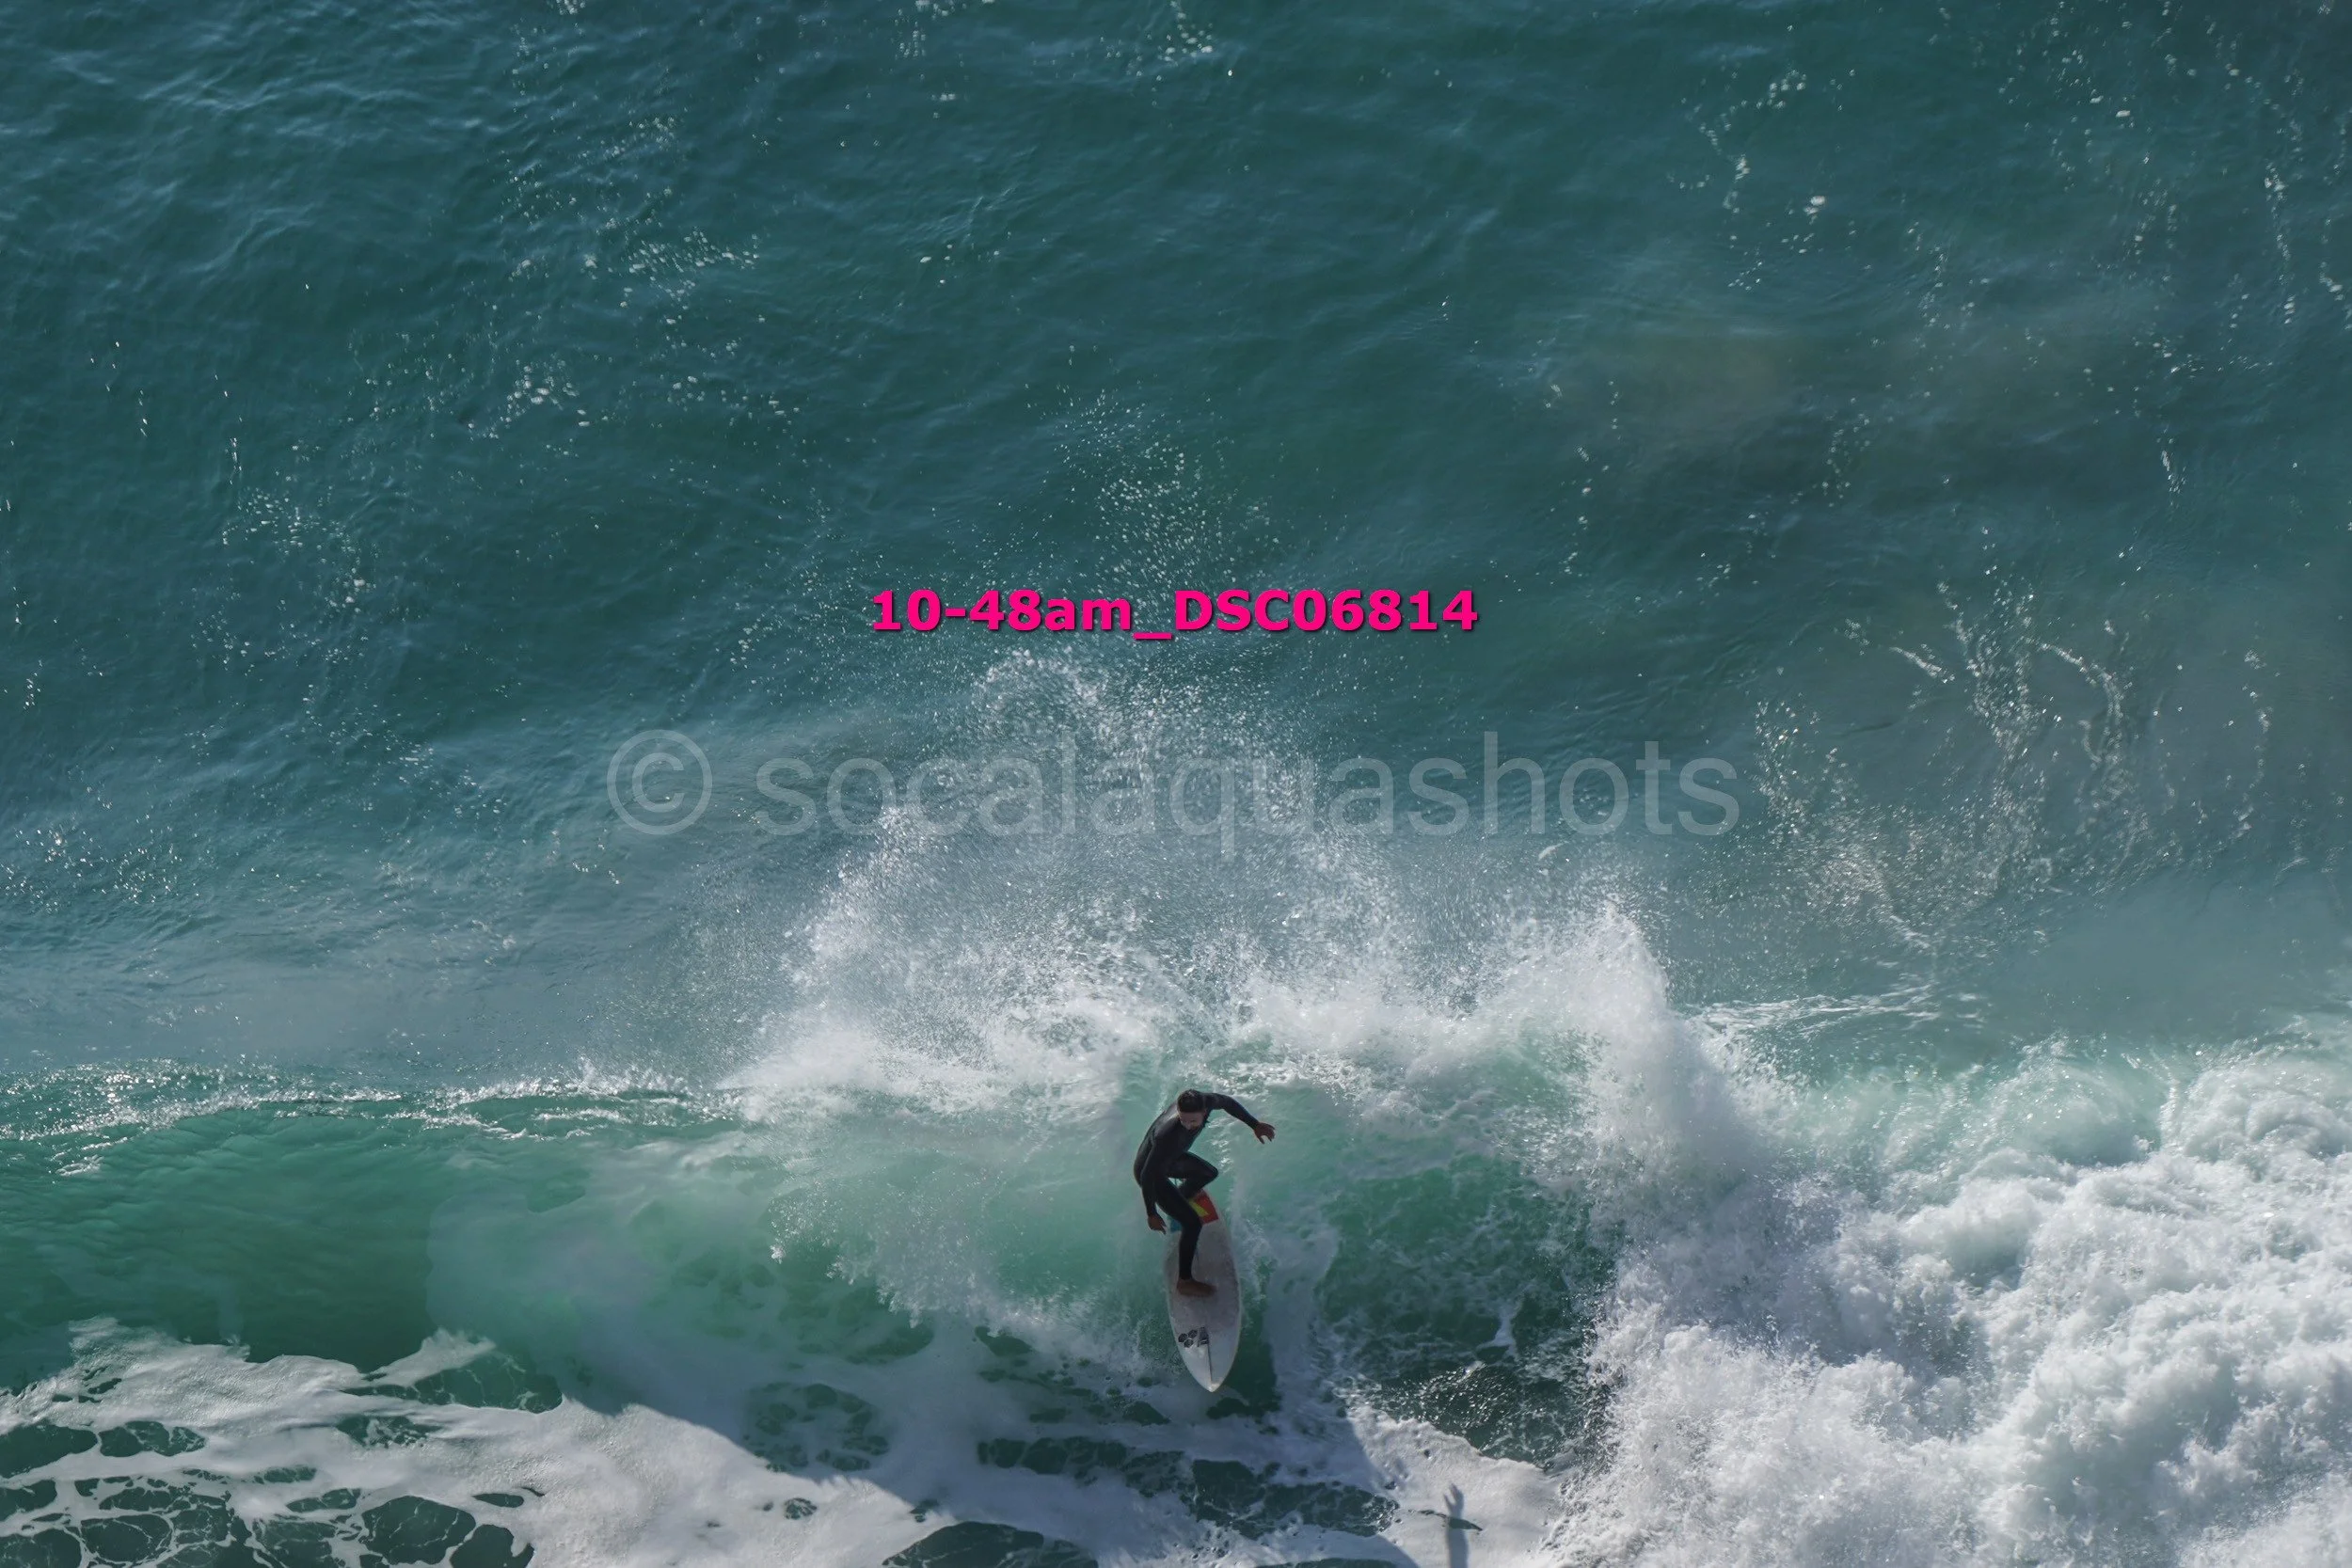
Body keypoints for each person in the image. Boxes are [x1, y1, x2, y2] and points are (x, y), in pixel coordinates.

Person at [1134, 1089, 1275, 1297]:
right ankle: (1184, 1282)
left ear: (1204, 1111)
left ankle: (1178, 1200)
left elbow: (1227, 1102)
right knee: (1193, 1223)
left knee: (1208, 1173)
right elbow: (1147, 1175)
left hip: (1171, 1160)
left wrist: (1255, 1125)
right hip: (1152, 1175)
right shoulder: (1167, 1136)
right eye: (1183, 1120)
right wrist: (1151, 1213)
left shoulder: (1207, 1101)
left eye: (1193, 1121)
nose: (1187, 1125)